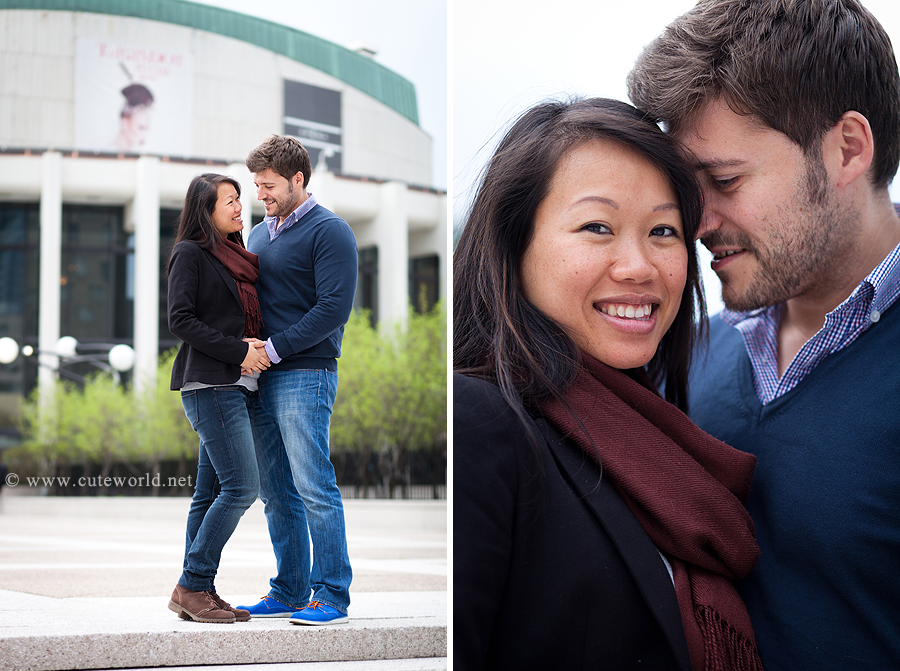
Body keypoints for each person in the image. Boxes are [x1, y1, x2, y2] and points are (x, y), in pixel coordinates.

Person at [627, 1, 900, 668]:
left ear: (847, 149)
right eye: (688, 192)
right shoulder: (683, 355)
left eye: (724, 181)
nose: (699, 222)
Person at [453, 97, 764, 671]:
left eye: (663, 231)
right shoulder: (481, 421)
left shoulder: (658, 430)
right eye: (597, 226)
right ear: (513, 242)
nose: (639, 266)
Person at [236, 135, 357, 626]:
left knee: (313, 486)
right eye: (257, 186)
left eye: (268, 186)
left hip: (305, 373)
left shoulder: (331, 231)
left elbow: (333, 308)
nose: (261, 194)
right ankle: (288, 590)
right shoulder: (260, 235)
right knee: (276, 492)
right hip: (261, 378)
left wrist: (274, 349)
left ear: (297, 179)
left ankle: (332, 595)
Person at [166, 173, 270, 623]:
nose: (238, 207)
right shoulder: (190, 254)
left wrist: (254, 348)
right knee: (242, 487)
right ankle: (192, 583)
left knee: (208, 494)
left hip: (237, 384)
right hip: (211, 384)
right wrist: (239, 351)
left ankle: (200, 589)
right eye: (229, 200)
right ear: (205, 209)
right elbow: (181, 320)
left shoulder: (238, 258)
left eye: (238, 199)